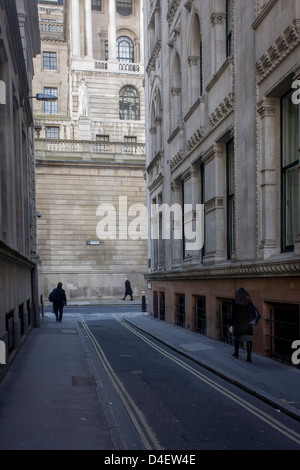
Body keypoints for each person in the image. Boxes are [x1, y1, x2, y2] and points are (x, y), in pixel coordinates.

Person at [229, 288, 253, 362]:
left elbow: (233, 314)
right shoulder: (249, 301)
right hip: (247, 324)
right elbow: (251, 312)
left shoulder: (235, 302)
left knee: (237, 339)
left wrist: (231, 325)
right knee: (248, 339)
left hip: (238, 324)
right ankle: (249, 355)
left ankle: (236, 353)